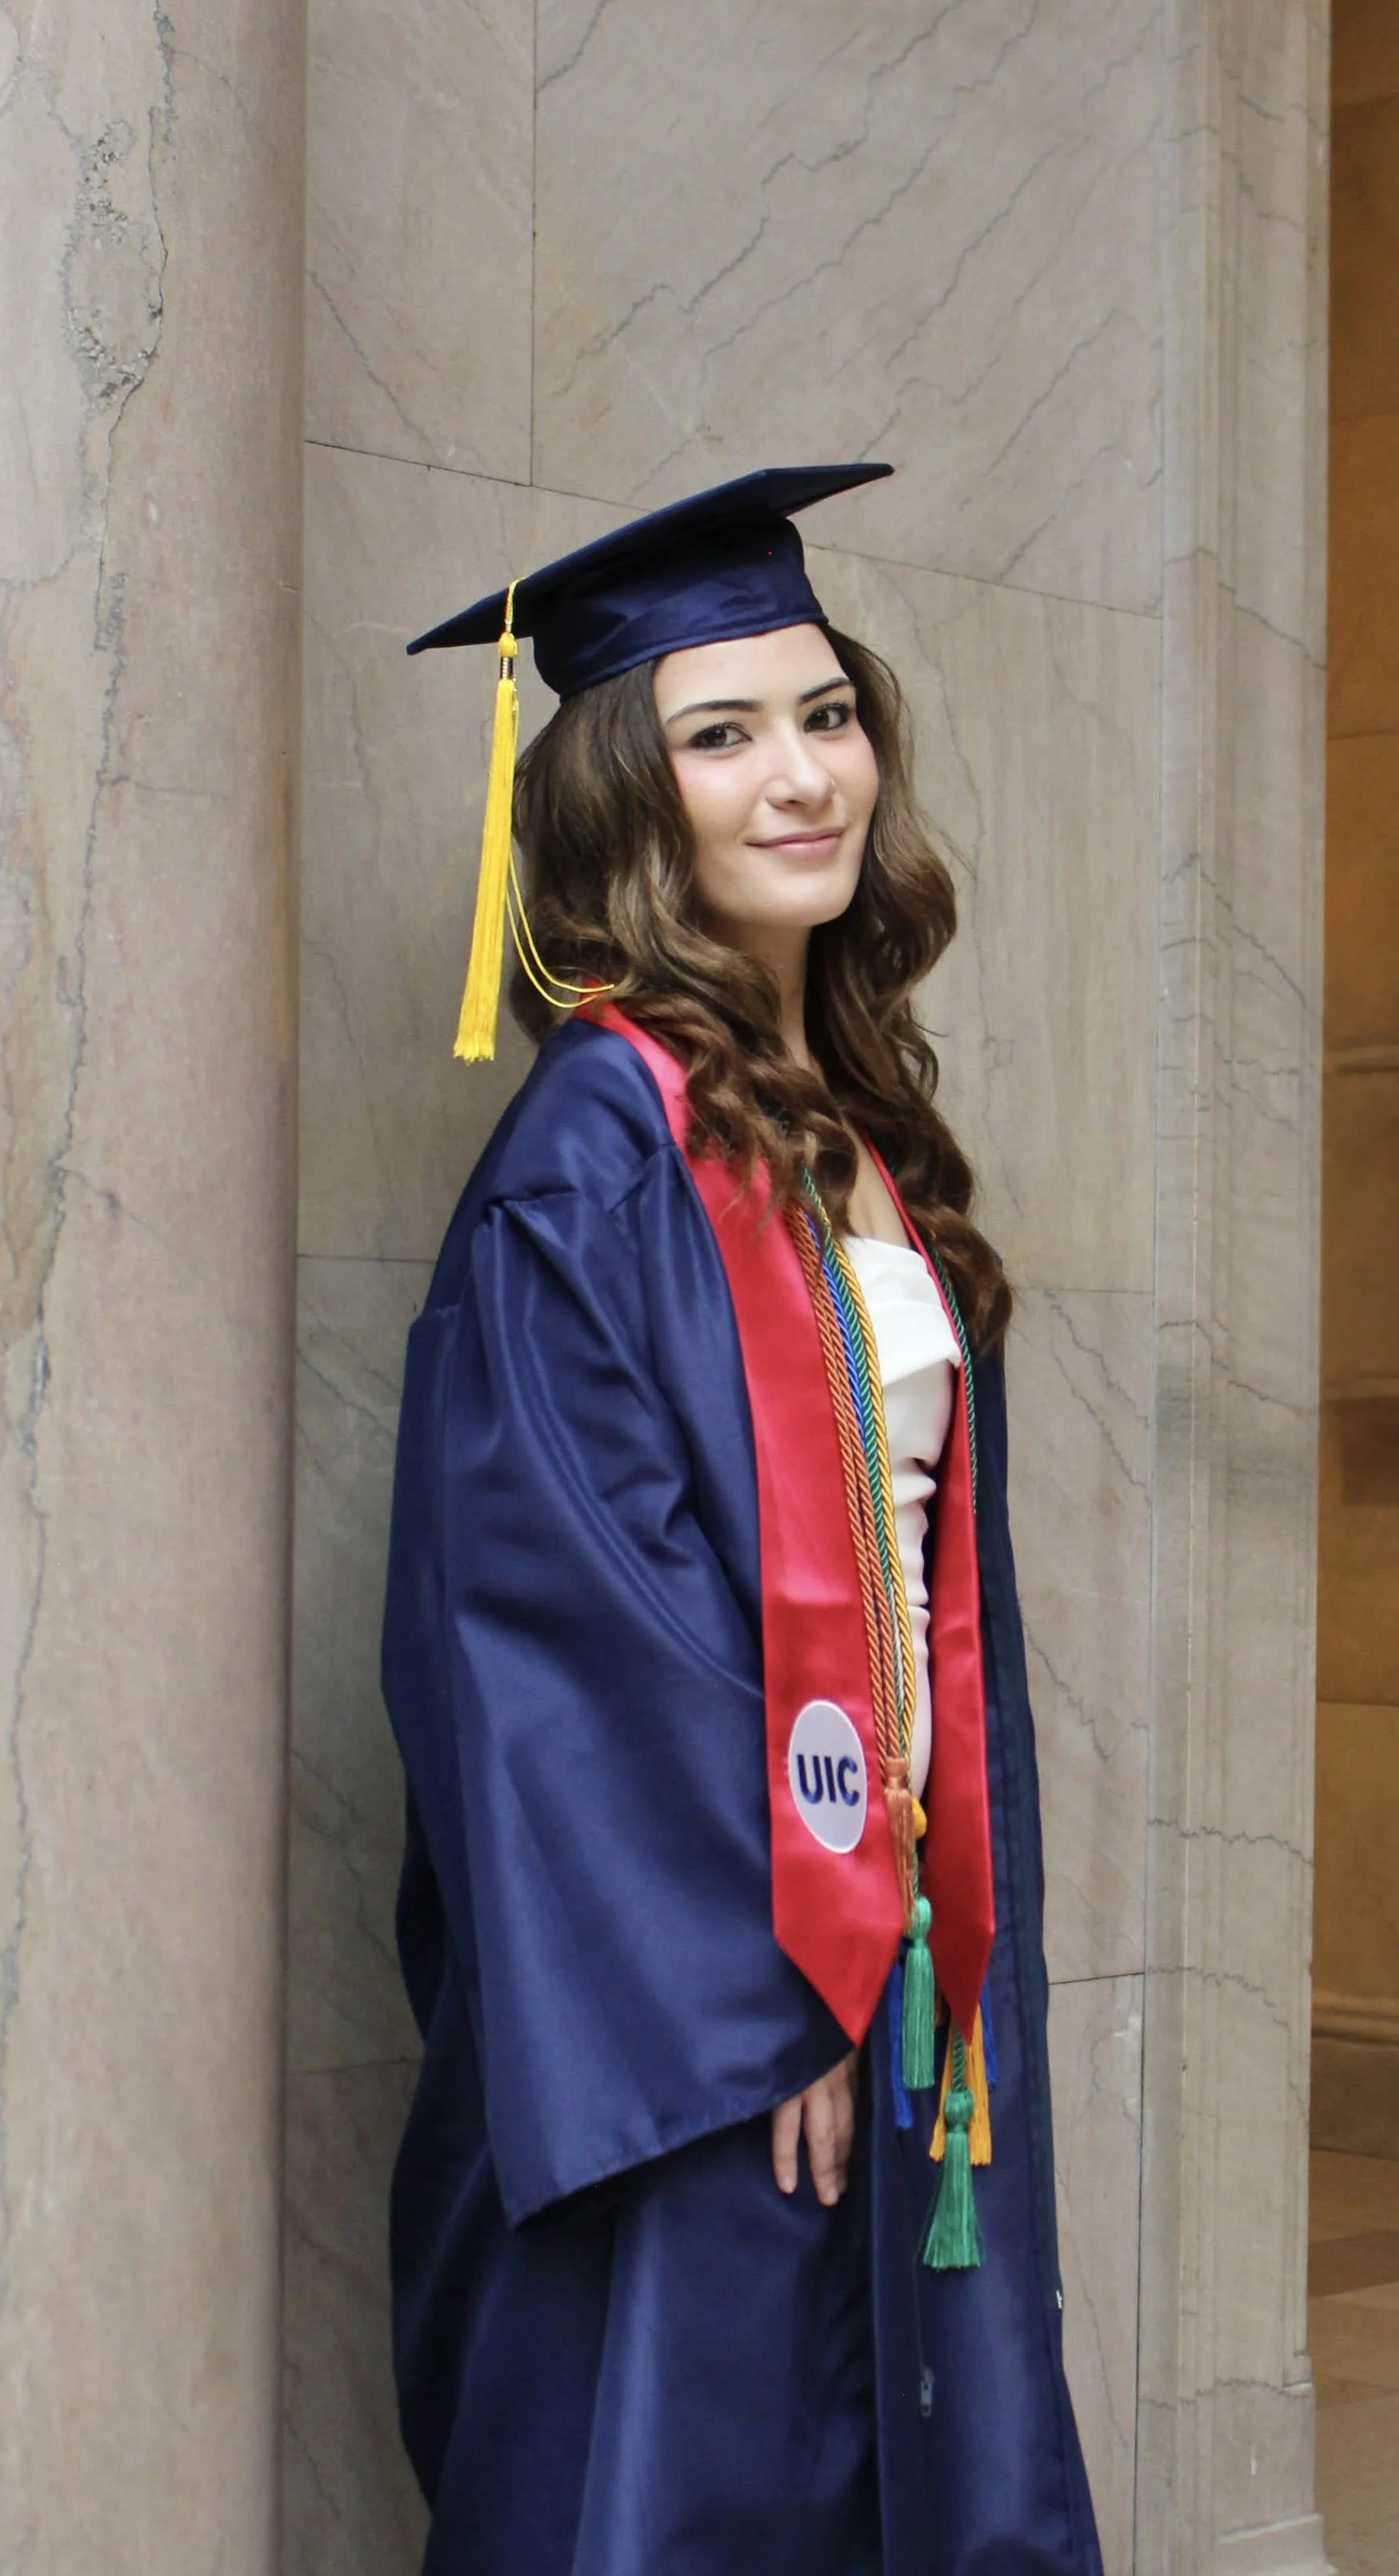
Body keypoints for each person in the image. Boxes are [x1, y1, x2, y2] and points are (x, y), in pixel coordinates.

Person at [380, 466, 1104, 2576]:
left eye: (826, 713)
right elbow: (555, 1625)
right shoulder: (597, 1153)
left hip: (896, 1955)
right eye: (725, 735)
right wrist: (761, 1995)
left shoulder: (851, 1127)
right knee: (707, 2483)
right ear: (632, 798)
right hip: (726, 2008)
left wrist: (906, 1933)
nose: (803, 774)